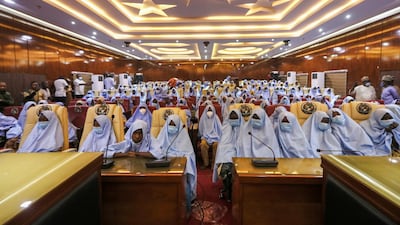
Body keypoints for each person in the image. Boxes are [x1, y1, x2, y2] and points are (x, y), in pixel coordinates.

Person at [156, 114, 197, 206]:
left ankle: (186, 204)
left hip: (180, 165)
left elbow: (189, 154)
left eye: (174, 125)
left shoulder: (183, 136)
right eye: (170, 124)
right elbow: (157, 150)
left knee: (183, 180)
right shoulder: (163, 135)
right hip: (165, 163)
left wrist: (178, 158)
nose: (171, 127)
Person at [213, 109, 242, 202]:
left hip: (239, 157)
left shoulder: (244, 130)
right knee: (226, 170)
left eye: (235, 118)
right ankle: (228, 191)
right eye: (232, 118)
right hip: (226, 157)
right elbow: (222, 147)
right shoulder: (225, 130)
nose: (233, 120)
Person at [198, 104, 222, 169]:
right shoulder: (203, 118)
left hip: (215, 137)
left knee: (216, 145)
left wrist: (219, 138)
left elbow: (220, 130)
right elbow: (200, 129)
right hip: (205, 137)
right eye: (208, 110)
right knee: (203, 144)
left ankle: (214, 164)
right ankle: (206, 163)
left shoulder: (216, 118)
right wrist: (200, 137)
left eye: (211, 110)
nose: (209, 112)